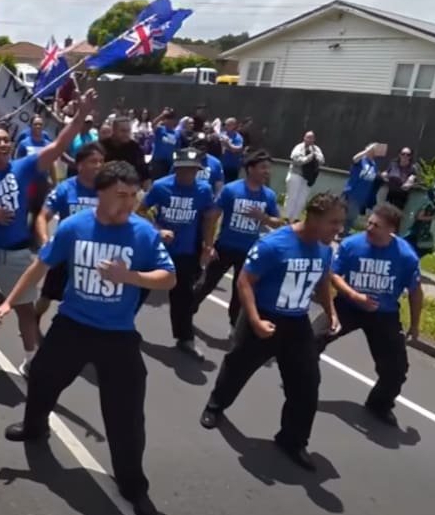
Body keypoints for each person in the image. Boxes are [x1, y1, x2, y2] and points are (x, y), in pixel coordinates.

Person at [0, 161, 174, 515]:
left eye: (133, 195)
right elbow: (40, 266)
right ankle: (34, 427)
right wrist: (9, 300)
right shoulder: (75, 227)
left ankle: (134, 486)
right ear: (100, 193)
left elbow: (168, 278)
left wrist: (131, 276)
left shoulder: (143, 233)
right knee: (43, 378)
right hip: (73, 325)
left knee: (126, 415)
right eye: (121, 195)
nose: (128, 202)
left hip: (118, 335)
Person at [199, 192, 345, 472]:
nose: (338, 229)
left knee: (307, 383)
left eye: (340, 223)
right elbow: (244, 282)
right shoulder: (274, 245)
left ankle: (293, 440)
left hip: (297, 322)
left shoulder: (325, 248)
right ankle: (216, 406)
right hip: (263, 316)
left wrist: (331, 311)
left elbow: (323, 279)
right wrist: (254, 321)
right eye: (333, 222)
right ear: (313, 217)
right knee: (238, 367)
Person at [318, 203, 422, 427]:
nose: (369, 227)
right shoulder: (351, 245)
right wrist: (354, 296)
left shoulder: (405, 256)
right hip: (348, 306)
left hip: (383, 313)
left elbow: (415, 292)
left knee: (396, 369)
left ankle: (380, 404)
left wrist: (415, 326)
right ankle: (299, 383)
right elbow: (334, 275)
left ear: (391, 230)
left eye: (376, 225)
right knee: (310, 340)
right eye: (369, 222)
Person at [140, 148, 219, 358]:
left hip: (186, 252)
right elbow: (139, 210)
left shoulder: (203, 190)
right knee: (140, 289)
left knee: (183, 297)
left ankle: (185, 339)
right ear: (176, 168)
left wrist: (208, 246)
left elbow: (209, 218)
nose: (188, 174)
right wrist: (156, 230)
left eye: (193, 170)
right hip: (158, 250)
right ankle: (119, 327)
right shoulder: (160, 186)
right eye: (184, 169)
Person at [29, 142, 104, 357]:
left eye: (101, 161)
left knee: (87, 300)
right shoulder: (65, 189)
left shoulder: (106, 189)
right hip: (65, 255)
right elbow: (43, 217)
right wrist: (46, 242)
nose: (98, 166)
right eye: (93, 161)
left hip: (94, 257)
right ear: (80, 165)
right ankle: (34, 317)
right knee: (48, 296)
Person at [193, 150, 282, 328]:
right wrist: (209, 245)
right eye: (263, 167)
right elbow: (213, 217)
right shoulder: (232, 189)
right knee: (206, 284)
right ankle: (187, 312)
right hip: (224, 247)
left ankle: (234, 327)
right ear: (250, 169)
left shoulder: (269, 196)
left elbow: (278, 223)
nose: (267, 172)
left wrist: (262, 217)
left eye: (268, 168)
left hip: (249, 252)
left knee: (240, 292)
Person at [284, 132, 324, 221]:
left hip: (308, 178)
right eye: (308, 137)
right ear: (304, 138)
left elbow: (322, 160)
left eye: (312, 138)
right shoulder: (298, 147)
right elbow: (297, 160)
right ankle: (287, 217)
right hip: (296, 174)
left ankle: (295, 218)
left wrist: (315, 155)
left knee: (302, 199)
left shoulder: (316, 149)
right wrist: (310, 157)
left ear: (314, 139)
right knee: (292, 197)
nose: (310, 140)